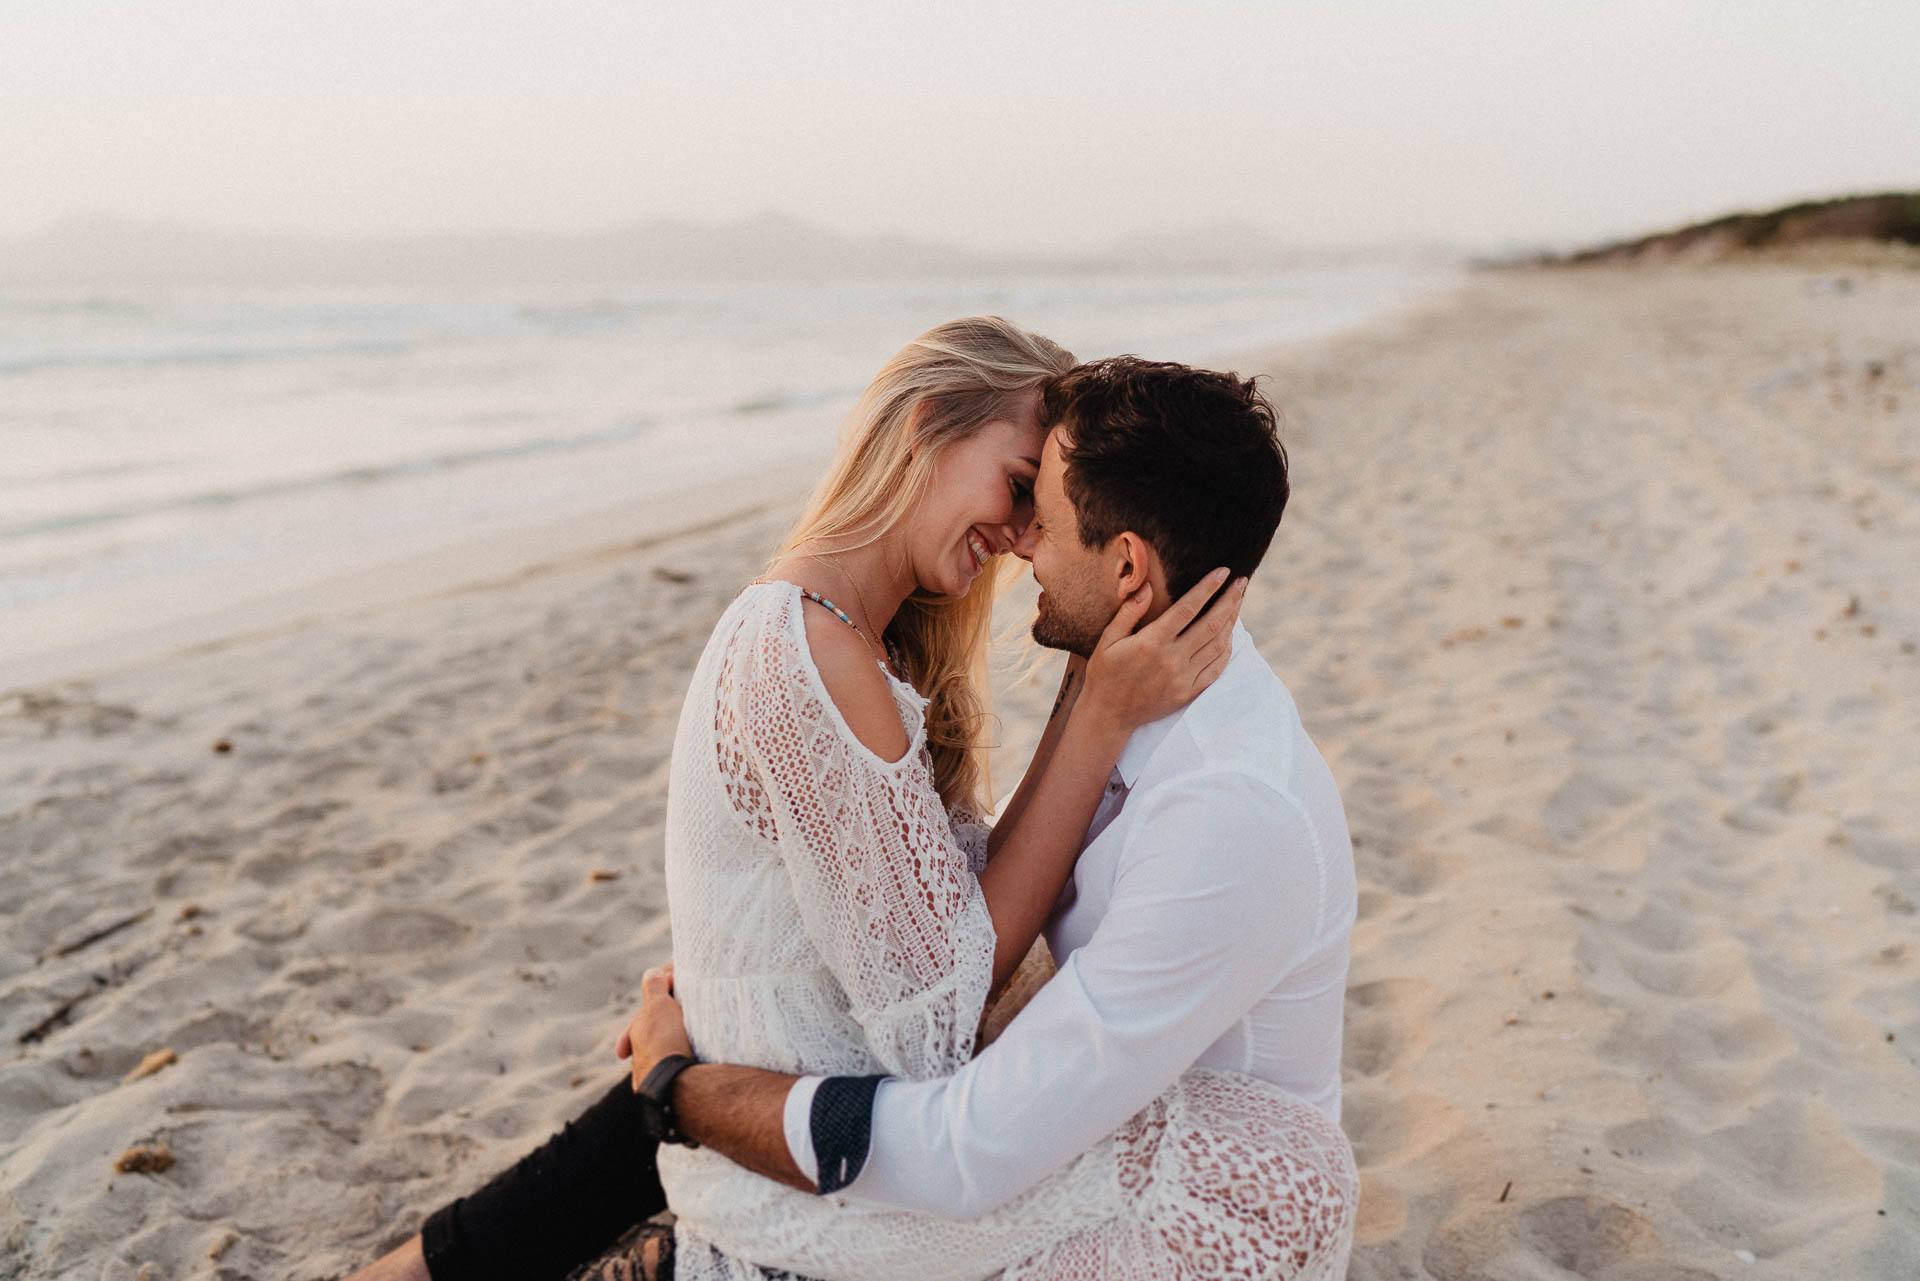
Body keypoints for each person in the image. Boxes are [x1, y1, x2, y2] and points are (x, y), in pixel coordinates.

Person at [343, 319, 1253, 1281]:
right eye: (1020, 484)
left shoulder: (856, 636)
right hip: (793, 1195)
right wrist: (1100, 714)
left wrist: (1088, 685)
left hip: (784, 1126)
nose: (1026, 535)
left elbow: (949, 906)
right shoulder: (812, 654)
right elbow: (940, 1017)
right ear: (928, 426)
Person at [615, 356, 1359, 1281]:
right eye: (1019, 493)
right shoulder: (1138, 693)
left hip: (1176, 1200)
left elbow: (963, 1143)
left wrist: (678, 1089)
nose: (1021, 544)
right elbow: (952, 906)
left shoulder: (1227, 815)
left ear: (1129, 567)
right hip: (1080, 1131)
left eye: (1039, 510)